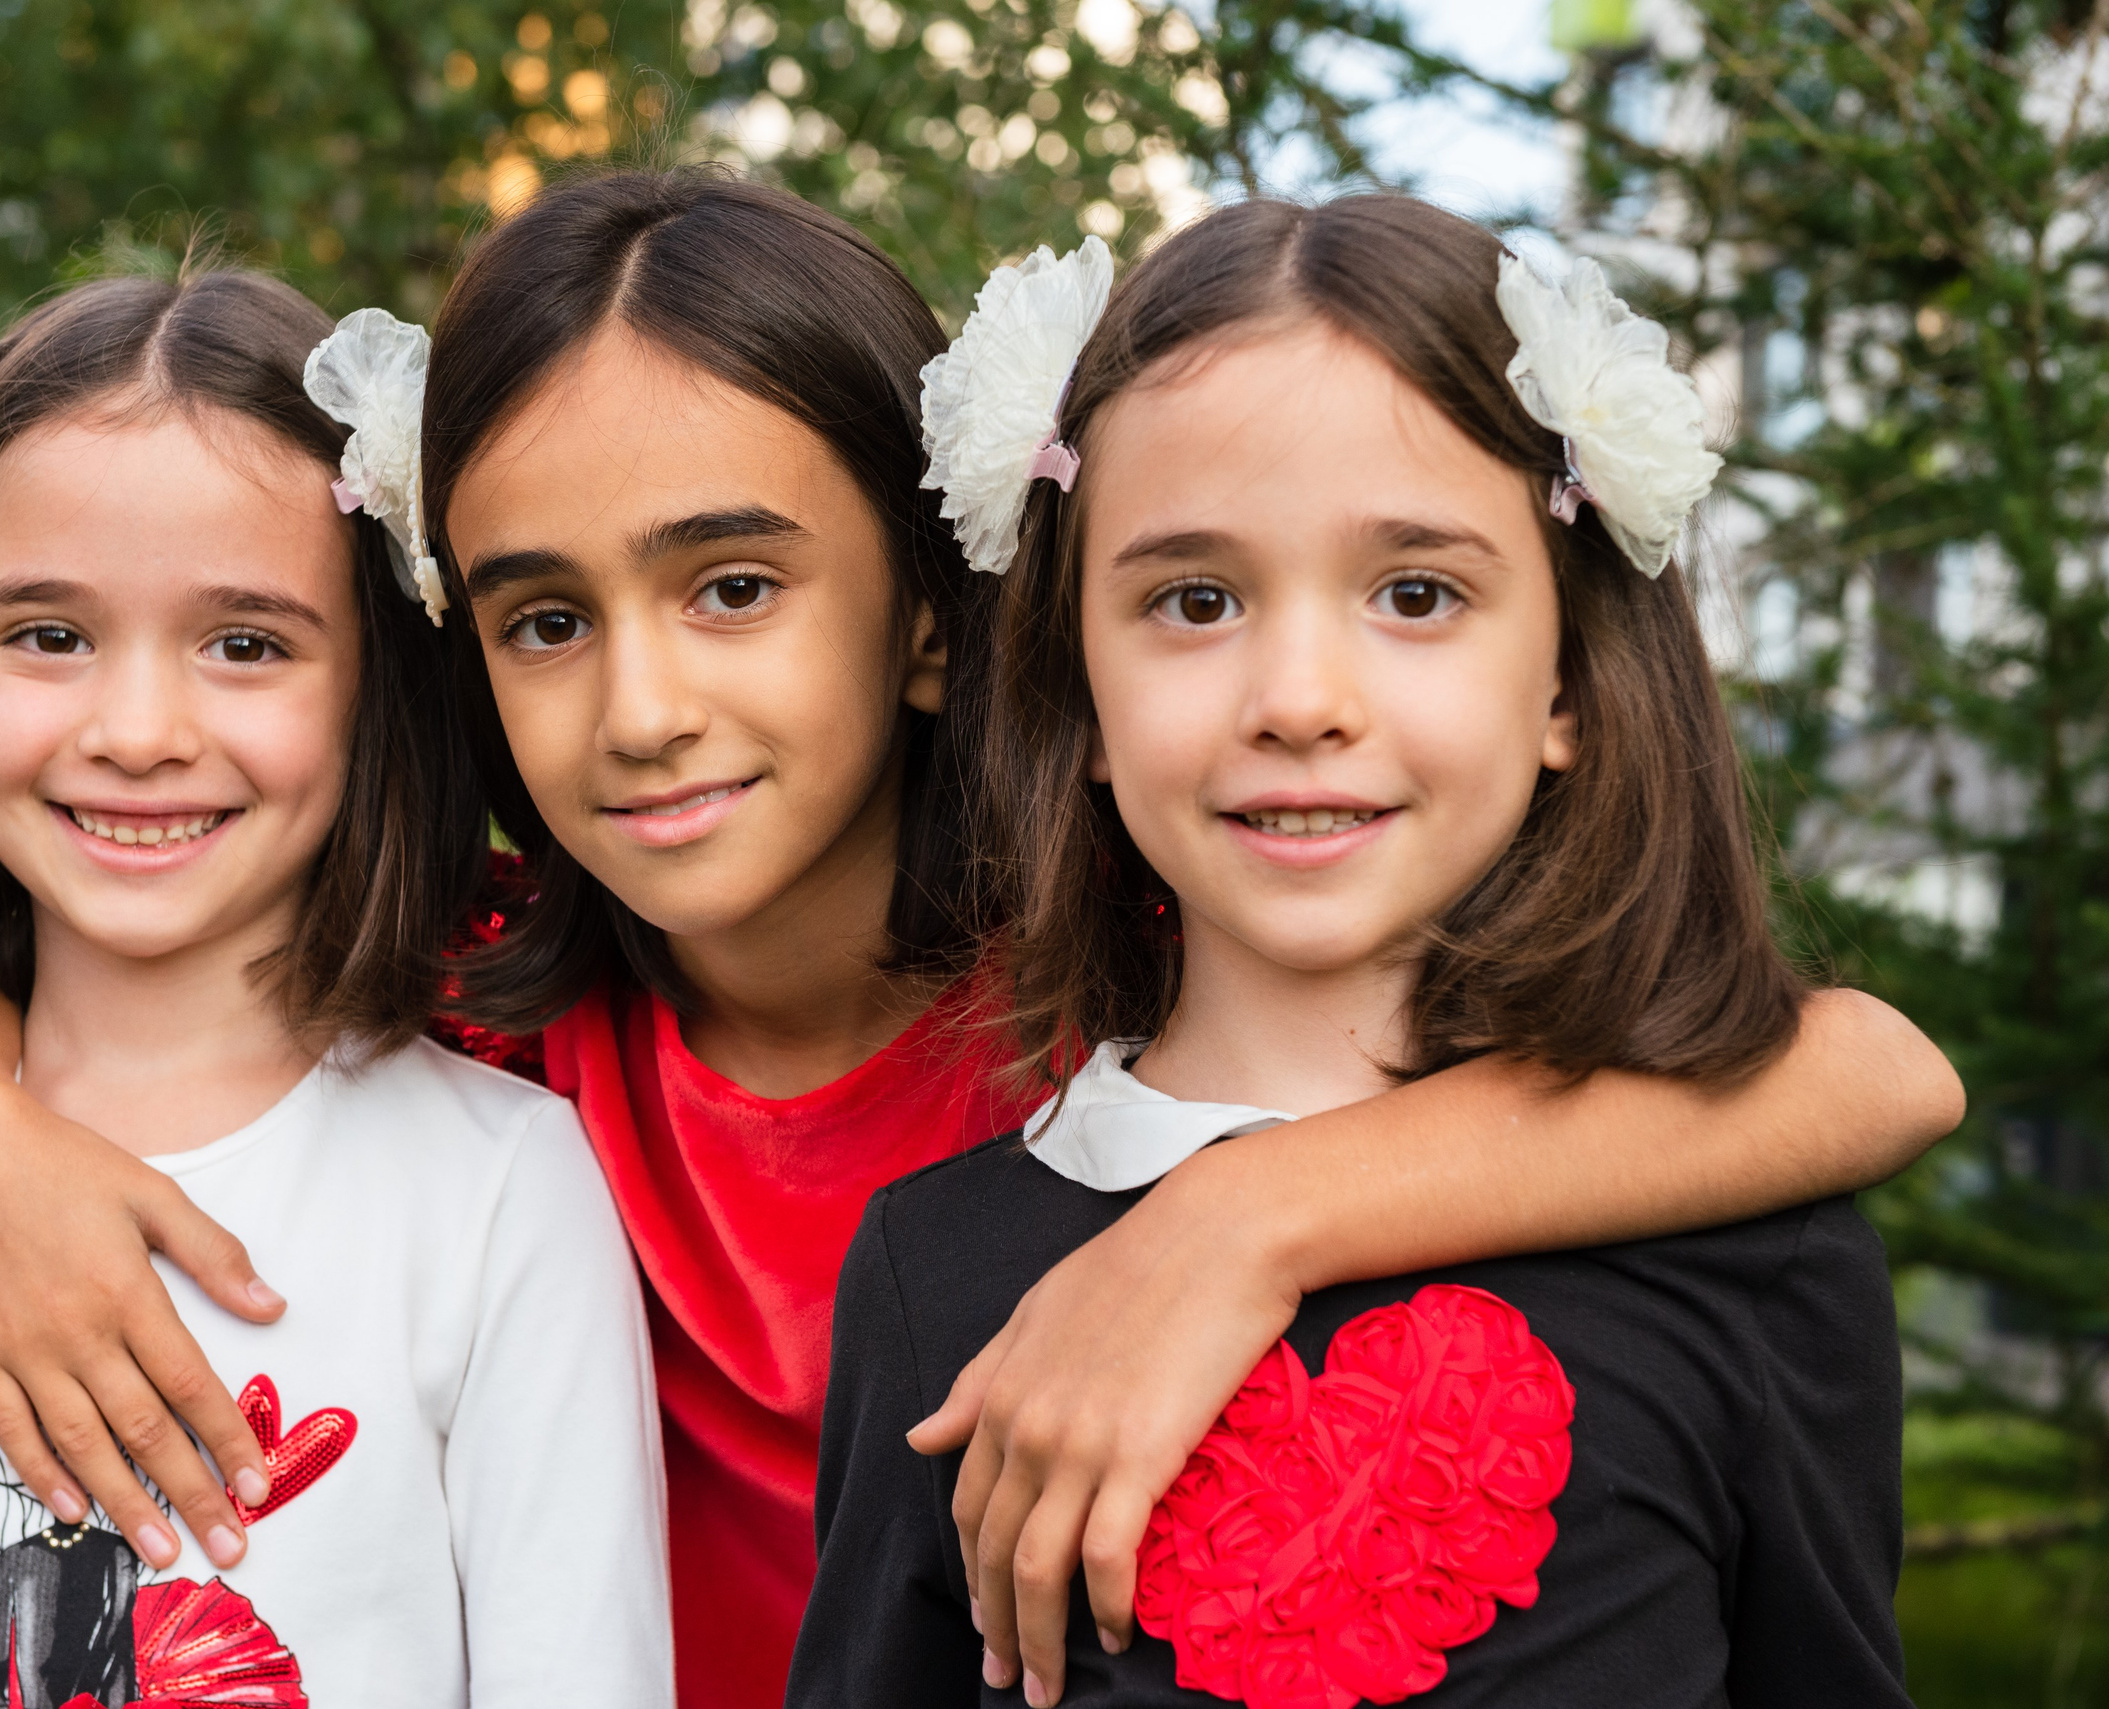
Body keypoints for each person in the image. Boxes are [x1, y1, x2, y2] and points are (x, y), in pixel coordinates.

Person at [0, 173, 1959, 1709]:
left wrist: (1241, 1222)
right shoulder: (464, 1019)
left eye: (736, 588)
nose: (646, 705)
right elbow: (90, 935)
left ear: (947, 617)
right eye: (543, 619)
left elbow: (1867, 1069)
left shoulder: (1147, 947)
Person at [792, 194, 1914, 1709]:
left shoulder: (1758, 1255)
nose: (1301, 695)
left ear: (1569, 685)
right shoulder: (937, 1276)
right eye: (1195, 600)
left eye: (1415, 594)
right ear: (1081, 696)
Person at [0, 271, 671, 1707]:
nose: (136, 730)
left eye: (246, 643)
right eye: (48, 633)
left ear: (377, 686)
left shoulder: (497, 1193)